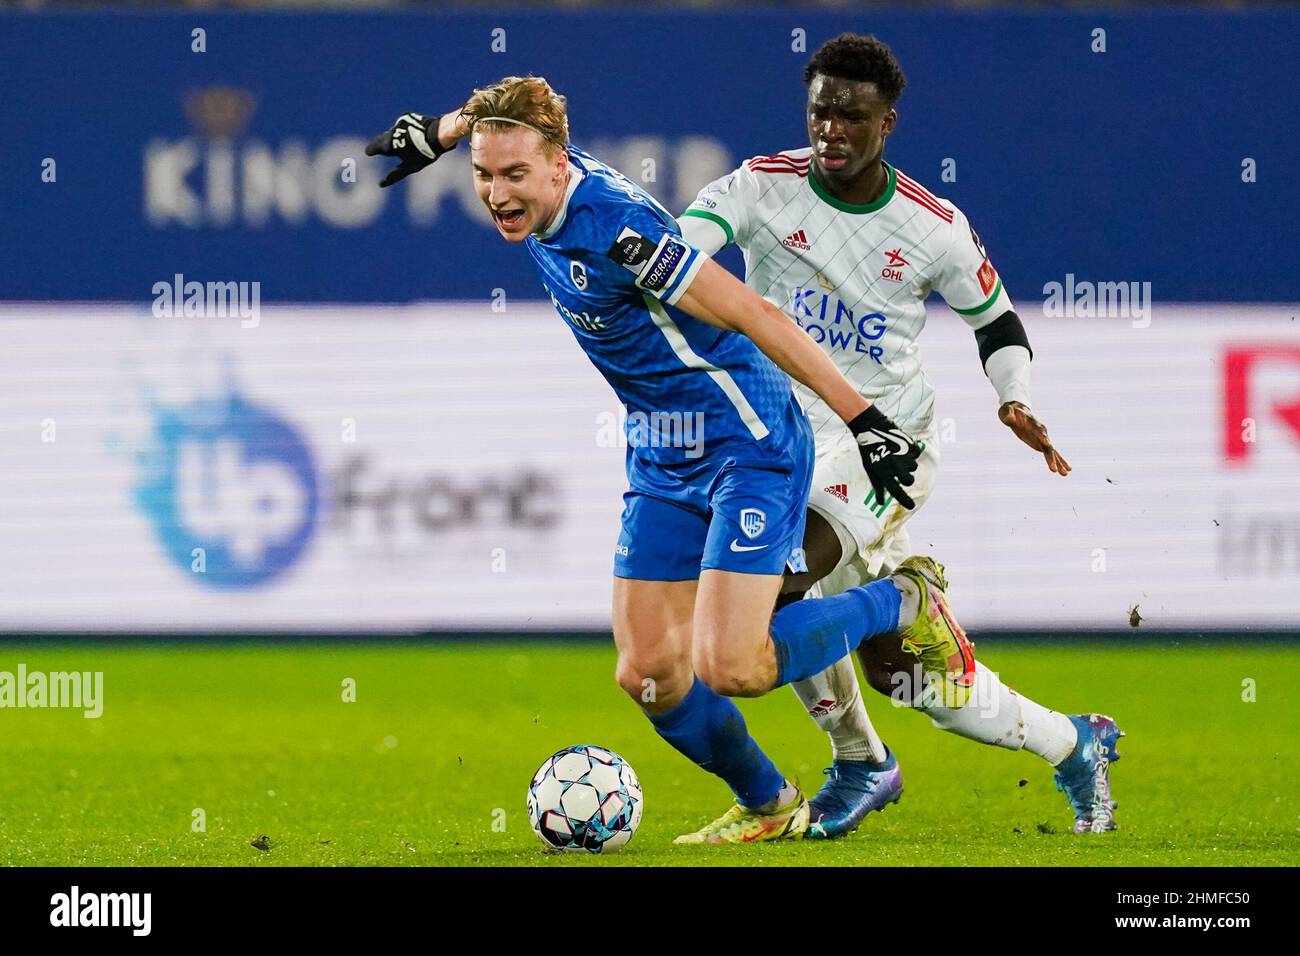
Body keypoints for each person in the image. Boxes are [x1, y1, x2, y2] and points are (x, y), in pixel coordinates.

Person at [367, 76, 975, 844]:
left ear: (558, 166)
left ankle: (904, 600)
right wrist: (443, 130)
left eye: (514, 175)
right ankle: (770, 802)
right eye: (484, 175)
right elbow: (507, 104)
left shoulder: (620, 232)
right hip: (661, 452)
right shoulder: (534, 160)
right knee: (649, 673)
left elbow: (755, 312)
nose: (496, 192)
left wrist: (864, 420)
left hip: (745, 443)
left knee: (735, 667)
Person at [677, 34, 1123, 837]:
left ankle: (862, 752)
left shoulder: (932, 225)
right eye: (820, 112)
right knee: (920, 685)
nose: (831, 132)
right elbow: (686, 250)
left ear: (889, 122)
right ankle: (1071, 740)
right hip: (780, 437)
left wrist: (1013, 398)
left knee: (769, 587)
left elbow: (997, 322)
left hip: (883, 443)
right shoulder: (758, 188)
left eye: (852, 116)